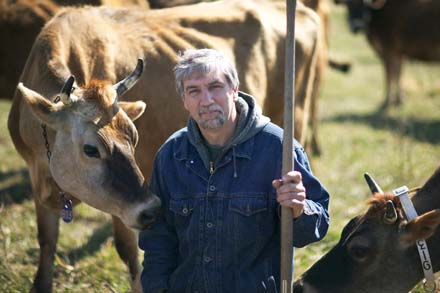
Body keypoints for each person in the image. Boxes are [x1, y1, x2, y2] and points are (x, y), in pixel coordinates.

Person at [139, 48, 330, 293]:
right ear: (184, 101)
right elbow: (158, 241)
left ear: (234, 89)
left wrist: (299, 210)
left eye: (215, 87)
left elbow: (317, 227)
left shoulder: (279, 150)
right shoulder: (171, 156)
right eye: (194, 91)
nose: (206, 100)